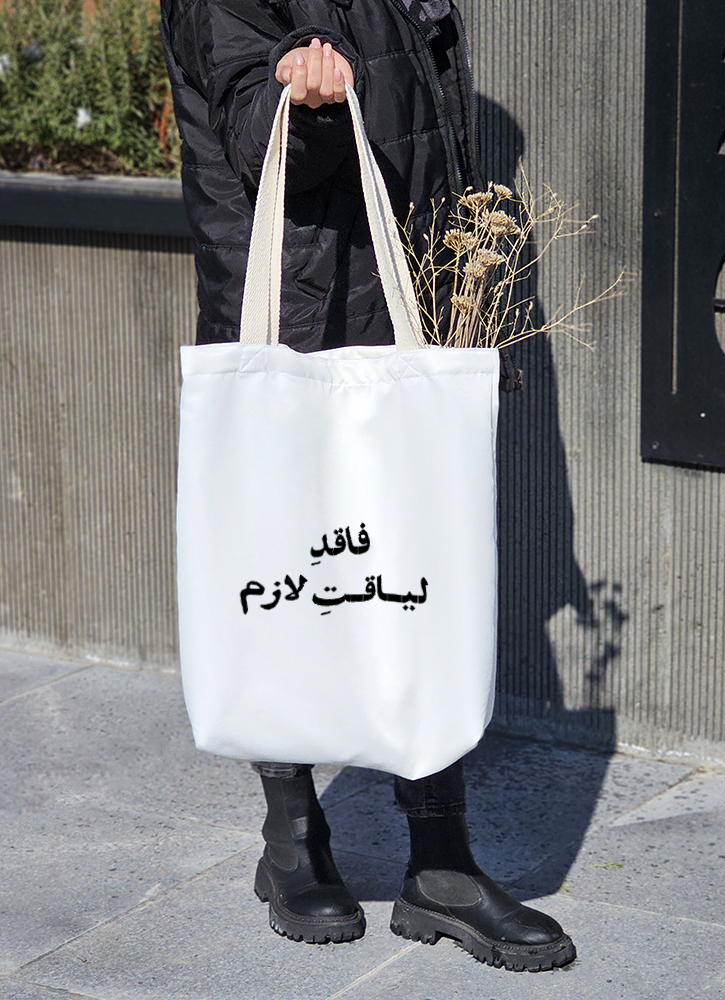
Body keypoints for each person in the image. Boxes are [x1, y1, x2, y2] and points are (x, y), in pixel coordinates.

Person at [159, 0, 574, 973]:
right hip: (297, 301)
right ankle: (293, 838)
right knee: (285, 569)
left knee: (418, 571)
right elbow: (254, 134)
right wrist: (301, 106)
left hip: (399, 299)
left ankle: (442, 861)